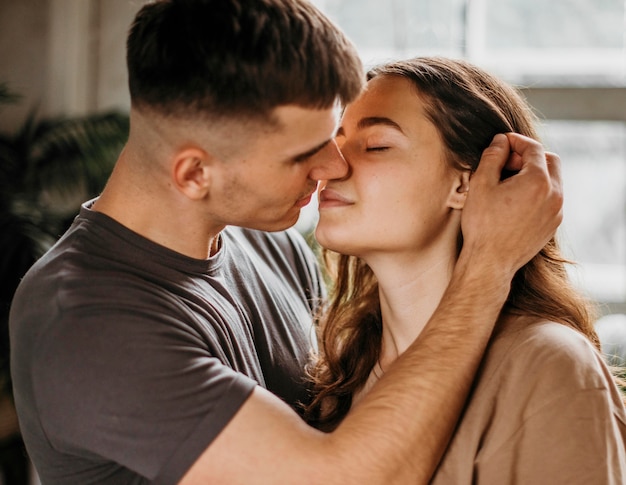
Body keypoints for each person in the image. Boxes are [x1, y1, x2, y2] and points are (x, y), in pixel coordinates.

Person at [9, 1, 563, 484]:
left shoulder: (267, 243)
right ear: (194, 173)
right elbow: (348, 478)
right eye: (305, 155)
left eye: (336, 135)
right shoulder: (88, 326)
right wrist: (490, 263)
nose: (333, 166)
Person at [307, 56, 626, 484]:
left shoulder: (550, 366)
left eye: (377, 144)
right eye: (336, 139)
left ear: (467, 184)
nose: (331, 164)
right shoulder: (344, 368)